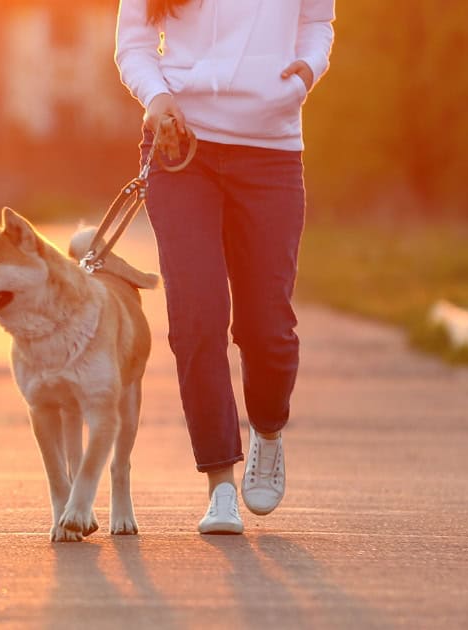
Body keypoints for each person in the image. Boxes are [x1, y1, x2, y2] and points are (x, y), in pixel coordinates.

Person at [115, 0, 334, 534]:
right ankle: (220, 486)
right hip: (182, 143)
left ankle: (268, 430)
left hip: (271, 150)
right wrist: (158, 96)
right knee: (197, 318)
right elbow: (134, 44)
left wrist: (306, 71)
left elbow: (318, 21)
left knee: (268, 327)